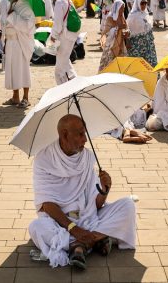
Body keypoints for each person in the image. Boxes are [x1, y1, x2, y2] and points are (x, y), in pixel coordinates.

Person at [28, 114, 136, 269]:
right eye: (80, 134)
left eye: (85, 133)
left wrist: (105, 190)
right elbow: (46, 205)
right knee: (36, 227)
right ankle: (97, 239)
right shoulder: (43, 159)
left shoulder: (86, 158)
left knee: (128, 205)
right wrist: (74, 229)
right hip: (59, 222)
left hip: (88, 216)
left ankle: (79, 247)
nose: (85, 139)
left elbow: (96, 205)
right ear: (64, 135)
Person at [3, 0, 35, 109]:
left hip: (20, 43)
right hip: (10, 42)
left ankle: (26, 98)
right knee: (12, 70)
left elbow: (29, 25)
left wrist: (12, 16)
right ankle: (15, 96)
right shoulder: (12, 4)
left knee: (22, 70)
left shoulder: (25, 6)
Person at [51, 0, 79, 85]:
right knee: (65, 61)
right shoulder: (68, 0)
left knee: (59, 67)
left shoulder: (59, 2)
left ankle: (63, 89)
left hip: (64, 36)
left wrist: (53, 36)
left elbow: (58, 23)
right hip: (72, 34)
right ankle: (75, 82)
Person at [126, 0, 158, 67]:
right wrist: (127, 41)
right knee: (137, 64)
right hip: (136, 45)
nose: (144, 5)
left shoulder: (146, 14)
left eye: (145, 3)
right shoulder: (132, 16)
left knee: (150, 63)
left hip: (148, 45)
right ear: (137, 4)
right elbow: (127, 29)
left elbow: (149, 28)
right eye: (142, 3)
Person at [99, 0, 129, 72]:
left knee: (121, 61)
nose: (122, 10)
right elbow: (106, 31)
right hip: (111, 44)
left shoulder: (122, 17)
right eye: (121, 8)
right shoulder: (110, 18)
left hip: (120, 42)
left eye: (123, 8)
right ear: (117, 8)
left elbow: (126, 28)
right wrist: (118, 28)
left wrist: (127, 32)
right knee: (109, 61)